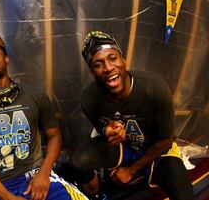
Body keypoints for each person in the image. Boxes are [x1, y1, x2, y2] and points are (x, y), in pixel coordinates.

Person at [0, 33, 88, 200]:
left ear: (6, 59)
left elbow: (55, 136)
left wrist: (44, 173)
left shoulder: (35, 95)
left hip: (36, 175)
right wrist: (7, 197)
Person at [69, 31, 194, 200]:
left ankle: (140, 174)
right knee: (77, 161)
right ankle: (97, 195)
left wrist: (130, 170)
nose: (108, 67)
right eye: (98, 64)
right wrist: (107, 130)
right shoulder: (88, 98)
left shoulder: (154, 88)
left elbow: (166, 139)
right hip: (125, 148)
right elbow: (100, 127)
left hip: (158, 151)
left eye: (112, 58)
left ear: (124, 60)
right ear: (92, 72)